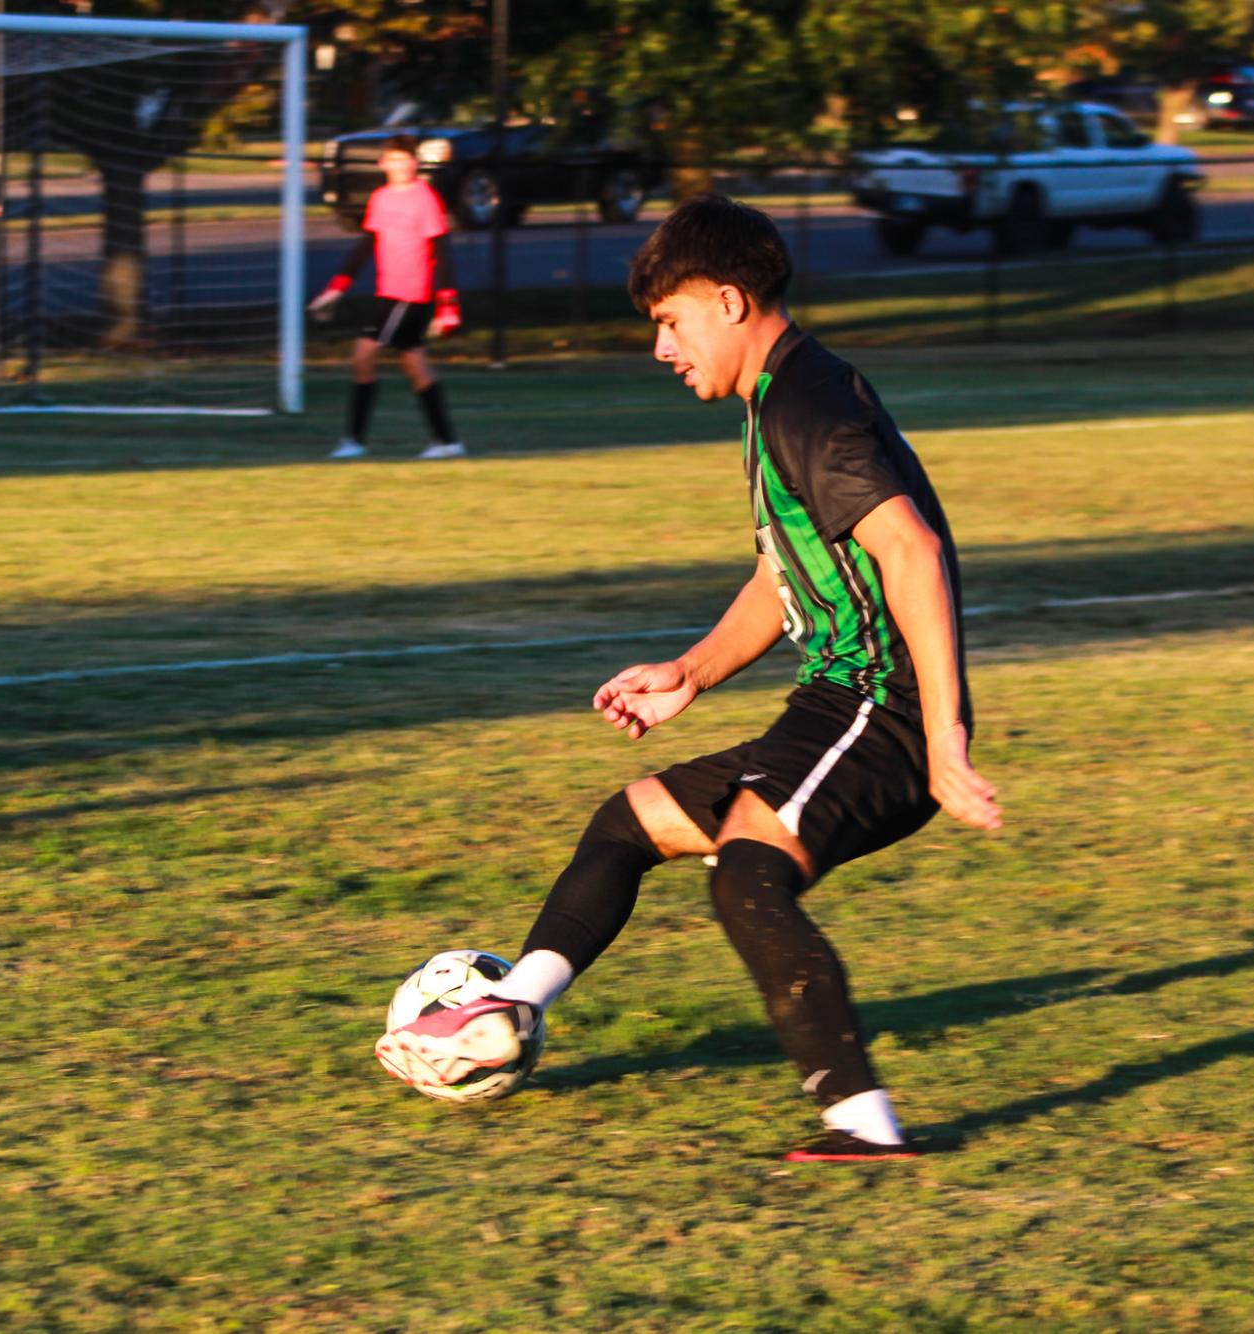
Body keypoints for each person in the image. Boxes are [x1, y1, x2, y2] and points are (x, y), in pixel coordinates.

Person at [376, 195, 1004, 1162]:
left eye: (670, 323)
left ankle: (862, 1126)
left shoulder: (808, 403)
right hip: (839, 701)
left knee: (747, 876)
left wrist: (946, 738)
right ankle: (504, 1012)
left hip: (885, 709)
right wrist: (690, 673)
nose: (663, 348)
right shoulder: (779, 399)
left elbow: (911, 553)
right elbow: (783, 567)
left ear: (728, 300)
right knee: (627, 822)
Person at [308, 134, 467, 459]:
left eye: (406, 159)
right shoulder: (380, 198)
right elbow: (366, 246)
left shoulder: (425, 199)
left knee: (363, 355)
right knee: (414, 364)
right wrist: (336, 288)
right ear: (383, 163)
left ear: (416, 164)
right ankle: (447, 442)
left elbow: (441, 251)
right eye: (394, 159)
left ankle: (354, 440)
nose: (400, 165)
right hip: (388, 293)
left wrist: (447, 304)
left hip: (411, 295)